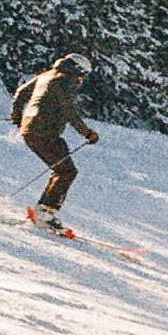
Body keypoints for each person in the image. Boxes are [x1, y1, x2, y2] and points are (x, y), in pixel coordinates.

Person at [12, 51, 99, 225]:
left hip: (31, 130)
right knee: (67, 171)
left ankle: (43, 210)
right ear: (78, 70)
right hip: (45, 133)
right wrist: (86, 133)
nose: (82, 79)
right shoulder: (66, 80)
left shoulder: (47, 75)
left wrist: (17, 118)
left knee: (62, 169)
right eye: (83, 74)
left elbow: (21, 93)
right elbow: (68, 110)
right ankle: (45, 213)